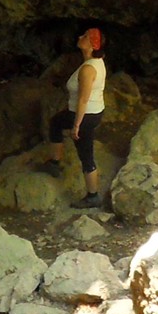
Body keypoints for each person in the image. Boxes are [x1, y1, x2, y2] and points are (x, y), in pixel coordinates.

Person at [41, 27, 107, 209]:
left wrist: (76, 126)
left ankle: (93, 196)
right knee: (56, 122)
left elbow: (83, 99)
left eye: (85, 36)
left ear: (92, 44)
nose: (80, 37)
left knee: (85, 153)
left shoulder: (88, 69)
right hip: (92, 112)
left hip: (86, 115)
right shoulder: (96, 61)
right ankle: (54, 163)